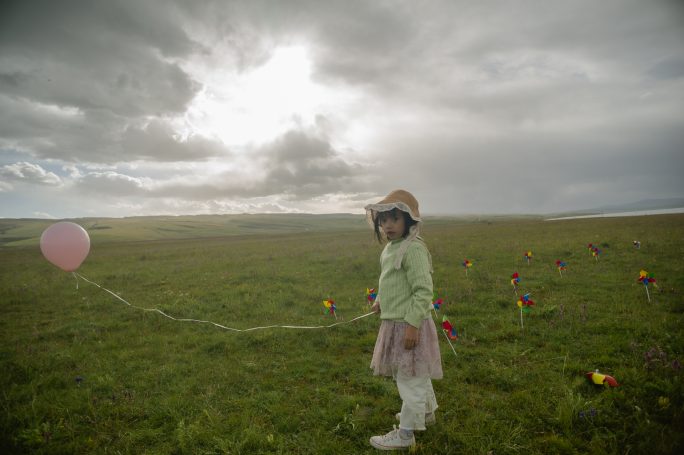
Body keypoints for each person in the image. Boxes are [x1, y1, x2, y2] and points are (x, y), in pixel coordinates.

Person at [365, 189, 443, 450]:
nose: (388, 225)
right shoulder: (391, 248)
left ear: (409, 219)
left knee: (409, 379)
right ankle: (426, 413)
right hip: (395, 323)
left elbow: (423, 290)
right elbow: (390, 280)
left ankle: (406, 434)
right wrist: (380, 300)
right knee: (416, 372)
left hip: (409, 325)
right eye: (384, 220)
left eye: (395, 219)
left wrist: (412, 325)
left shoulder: (414, 249)